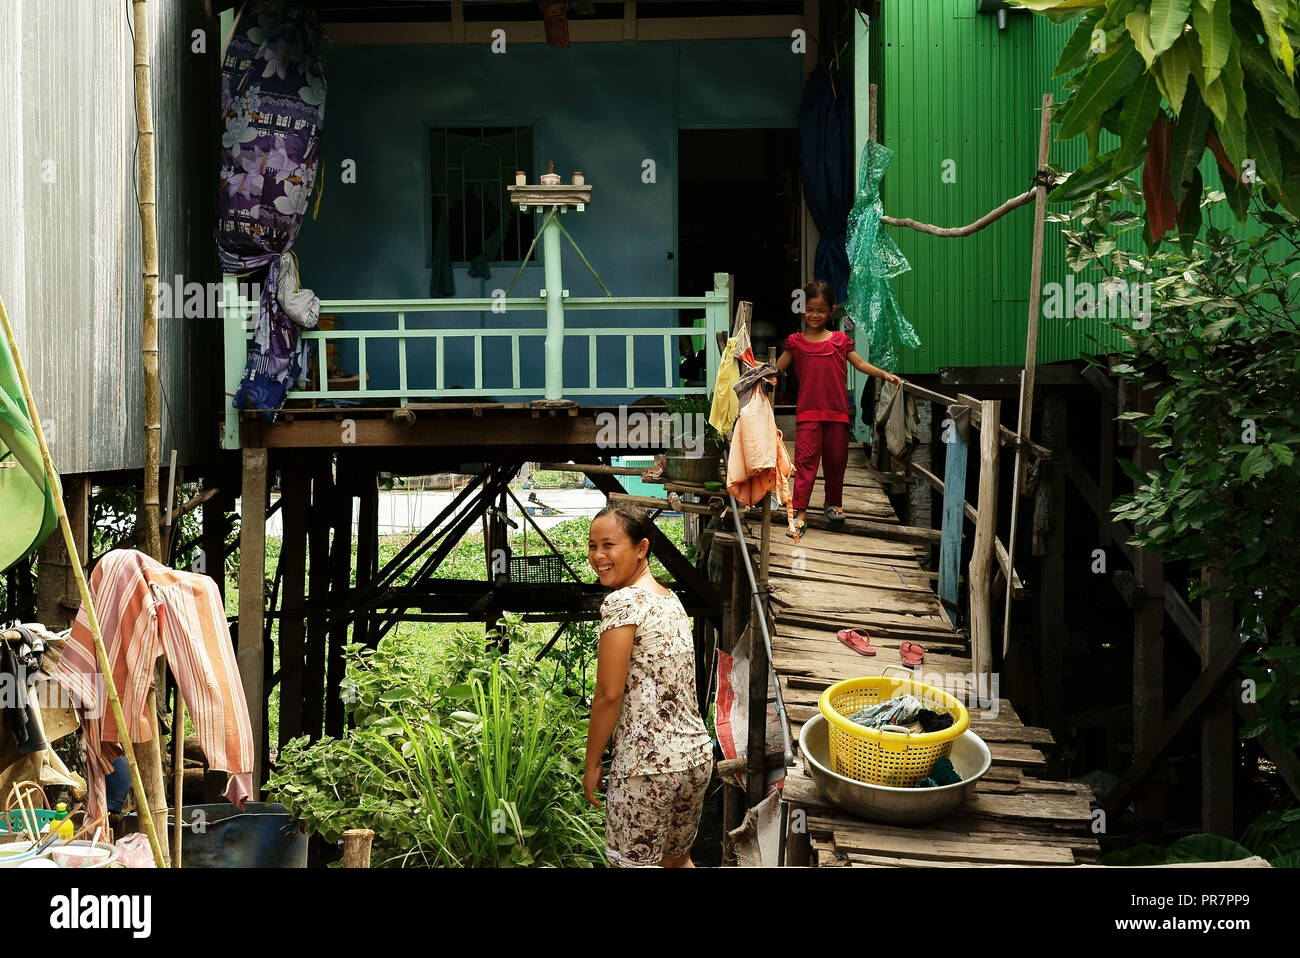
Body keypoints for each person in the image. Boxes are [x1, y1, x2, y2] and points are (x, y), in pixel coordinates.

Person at [583, 504, 713, 868]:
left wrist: (593, 763)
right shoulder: (670, 600)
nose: (598, 556)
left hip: (648, 767)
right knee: (678, 862)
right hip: (695, 758)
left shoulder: (623, 602)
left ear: (641, 548)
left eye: (609, 545)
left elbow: (609, 695)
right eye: (593, 546)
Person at [775, 279, 901, 537]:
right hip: (808, 415)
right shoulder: (796, 342)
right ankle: (800, 513)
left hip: (837, 414)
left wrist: (885, 375)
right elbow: (776, 370)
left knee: (836, 461)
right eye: (810, 309)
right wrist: (755, 376)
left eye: (821, 310)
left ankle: (833, 504)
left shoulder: (841, 341)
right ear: (802, 310)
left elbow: (861, 364)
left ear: (831, 310)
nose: (815, 315)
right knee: (806, 462)